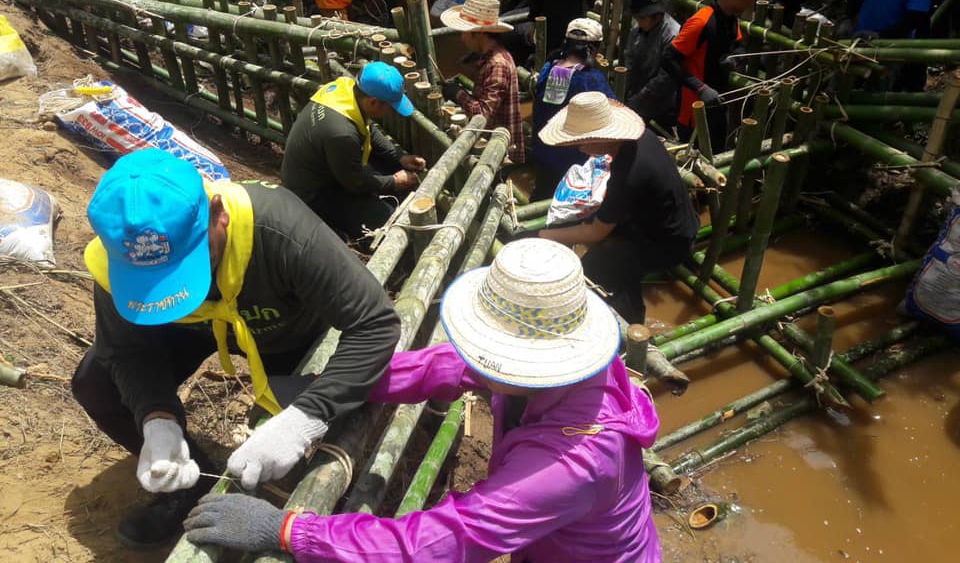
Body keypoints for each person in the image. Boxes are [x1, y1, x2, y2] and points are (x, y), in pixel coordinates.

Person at [183, 238, 663, 563]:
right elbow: (445, 366)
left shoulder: (569, 466)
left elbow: (442, 542)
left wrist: (289, 532)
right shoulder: (568, 368)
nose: (478, 361)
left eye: (492, 353)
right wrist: (327, 390)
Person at [71, 148, 402, 549]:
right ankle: (186, 485)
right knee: (97, 383)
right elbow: (126, 350)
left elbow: (375, 323)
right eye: (152, 279)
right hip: (187, 333)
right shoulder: (113, 262)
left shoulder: (280, 229)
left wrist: (307, 417)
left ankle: (279, 512)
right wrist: (156, 418)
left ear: (218, 213)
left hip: (284, 332)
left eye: (189, 262)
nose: (179, 294)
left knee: (278, 437)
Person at [538, 92, 698, 325]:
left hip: (669, 242)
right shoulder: (643, 137)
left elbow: (595, 233)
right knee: (594, 240)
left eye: (584, 141)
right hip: (669, 221)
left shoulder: (629, 172)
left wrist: (544, 235)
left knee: (595, 271)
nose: (581, 149)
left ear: (605, 136)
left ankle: (630, 322)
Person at [281, 61, 425, 241]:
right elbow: (355, 183)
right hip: (312, 195)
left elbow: (368, 129)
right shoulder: (342, 134)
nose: (391, 111)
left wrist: (399, 158)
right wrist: (394, 181)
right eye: (390, 106)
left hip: (329, 169)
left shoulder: (345, 88)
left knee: (388, 167)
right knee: (386, 220)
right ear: (373, 102)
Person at [660, 0, 761, 151]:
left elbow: (738, 45)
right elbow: (668, 58)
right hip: (693, 112)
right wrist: (700, 88)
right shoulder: (701, 21)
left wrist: (737, 57)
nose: (752, 2)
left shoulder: (731, 20)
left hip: (718, 105)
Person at [532, 17, 615, 194]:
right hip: (574, 160)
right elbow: (613, 109)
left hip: (543, 149)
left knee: (542, 194)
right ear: (593, 50)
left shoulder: (548, 68)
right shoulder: (591, 79)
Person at [441, 0, 525, 163]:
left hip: (497, 150)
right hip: (489, 142)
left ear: (478, 33)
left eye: (465, 32)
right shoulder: (487, 57)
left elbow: (483, 114)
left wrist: (458, 94)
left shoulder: (497, 65)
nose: (462, 38)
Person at [624, 0, 681, 127]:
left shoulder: (673, 35)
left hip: (661, 105)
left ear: (656, 16)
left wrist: (637, 101)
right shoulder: (637, 29)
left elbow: (665, 78)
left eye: (641, 18)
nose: (638, 21)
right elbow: (629, 60)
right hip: (636, 97)